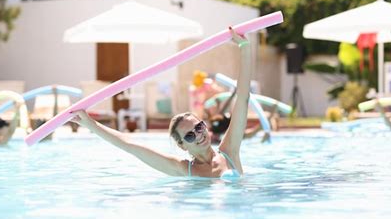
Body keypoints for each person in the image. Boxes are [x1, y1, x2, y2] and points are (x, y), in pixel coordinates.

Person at [72, 27, 251, 178]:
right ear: (182, 145)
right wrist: (90, 123)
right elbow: (130, 145)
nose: (198, 135)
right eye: (189, 135)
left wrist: (244, 48)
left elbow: (242, 99)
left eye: (198, 127)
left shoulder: (229, 152)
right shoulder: (183, 170)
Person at [205, 88, 277, 144]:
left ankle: (233, 97)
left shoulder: (215, 128)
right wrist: (272, 113)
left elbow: (258, 128)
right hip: (223, 129)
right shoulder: (236, 135)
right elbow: (258, 129)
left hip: (221, 129)